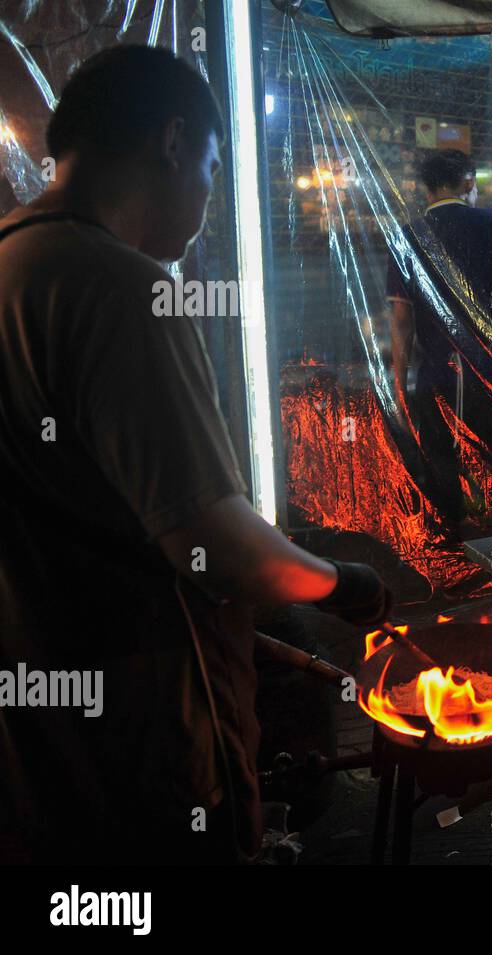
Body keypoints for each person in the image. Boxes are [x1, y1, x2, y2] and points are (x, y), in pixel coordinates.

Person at [0, 46, 391, 864]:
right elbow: (213, 545)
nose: (211, 198)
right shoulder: (122, 289)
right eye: (214, 166)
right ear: (174, 142)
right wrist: (340, 584)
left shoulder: (13, 263)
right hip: (137, 739)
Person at [387, 149, 492, 531]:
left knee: (441, 467)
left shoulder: (408, 235)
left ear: (425, 189)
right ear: (469, 183)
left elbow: (401, 322)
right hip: (488, 372)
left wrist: (401, 387)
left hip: (436, 376)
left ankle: (452, 555)